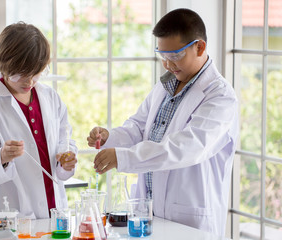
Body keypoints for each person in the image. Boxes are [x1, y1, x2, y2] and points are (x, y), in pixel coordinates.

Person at [87, 8, 238, 236]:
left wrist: (123, 157)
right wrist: (111, 137)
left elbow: (187, 147)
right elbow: (139, 127)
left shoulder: (220, 96)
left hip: (188, 219)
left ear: (200, 47)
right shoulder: (165, 85)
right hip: (148, 214)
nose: (167, 65)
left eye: (175, 56)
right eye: (163, 56)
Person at [0, 22, 77, 219]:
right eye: (20, 75)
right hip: (13, 217)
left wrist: (66, 159)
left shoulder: (50, 97)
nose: (29, 82)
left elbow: (65, 139)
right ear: (4, 66)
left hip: (55, 213)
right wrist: (1, 157)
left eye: (36, 74)